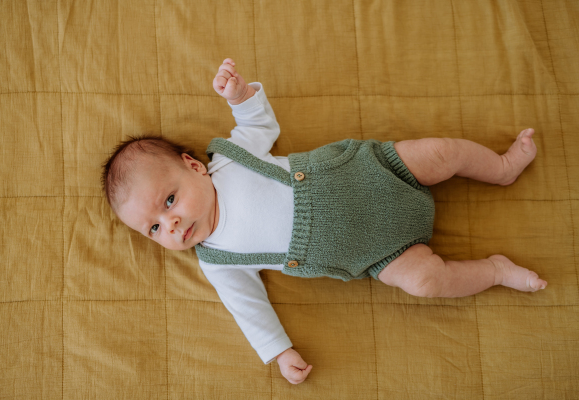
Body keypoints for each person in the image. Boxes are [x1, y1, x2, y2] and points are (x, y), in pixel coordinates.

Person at [101, 58, 547, 385]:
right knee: (427, 281)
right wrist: (279, 352)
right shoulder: (218, 259)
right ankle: (495, 270)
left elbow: (259, 125)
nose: (172, 224)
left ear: (193, 166)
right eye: (154, 229)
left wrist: (240, 96)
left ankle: (502, 167)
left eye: (169, 200)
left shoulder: (230, 160)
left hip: (375, 173)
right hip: (379, 249)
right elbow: (248, 308)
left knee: (441, 154)